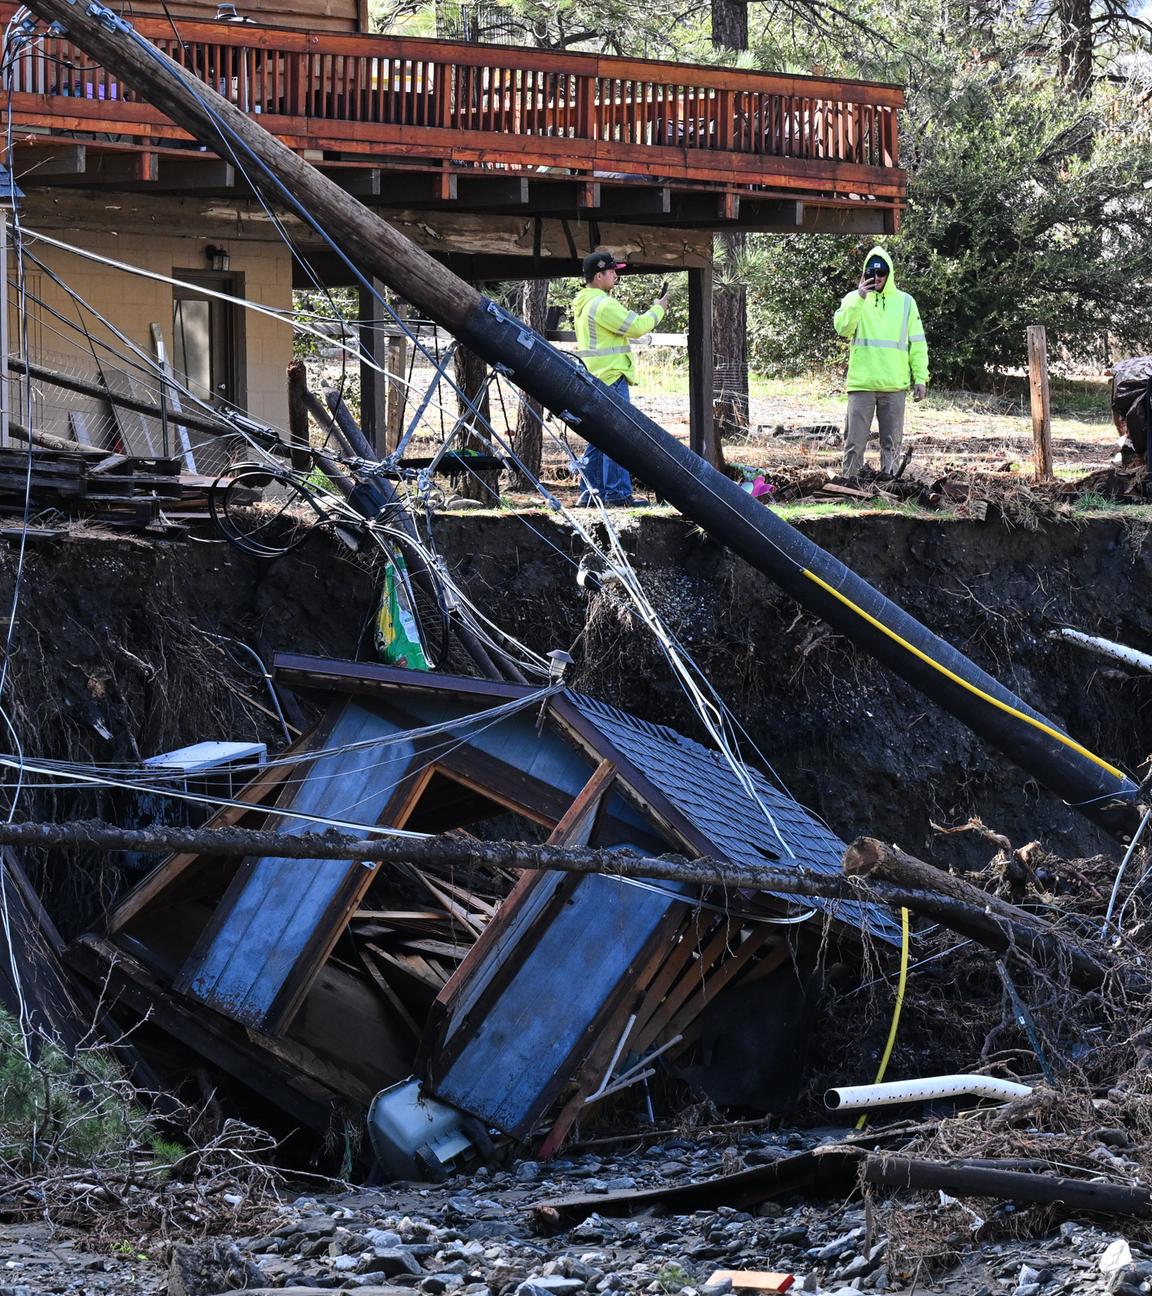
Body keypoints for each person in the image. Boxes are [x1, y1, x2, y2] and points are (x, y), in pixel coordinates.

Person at [571, 249, 668, 506]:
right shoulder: (603, 303)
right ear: (599, 275)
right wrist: (658, 310)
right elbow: (636, 325)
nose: (616, 275)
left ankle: (589, 495)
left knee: (598, 438)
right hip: (611, 376)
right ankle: (617, 495)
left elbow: (614, 333)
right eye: (612, 271)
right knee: (619, 437)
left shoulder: (584, 302)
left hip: (593, 376)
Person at [833, 246, 929, 480]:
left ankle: (890, 489)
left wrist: (921, 377)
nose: (876, 278)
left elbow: (917, 343)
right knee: (854, 443)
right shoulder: (853, 299)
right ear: (864, 274)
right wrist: (859, 298)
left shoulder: (906, 302)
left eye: (882, 273)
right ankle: (849, 487)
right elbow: (842, 329)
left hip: (894, 386)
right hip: (862, 385)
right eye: (871, 273)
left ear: (890, 274)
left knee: (891, 445)